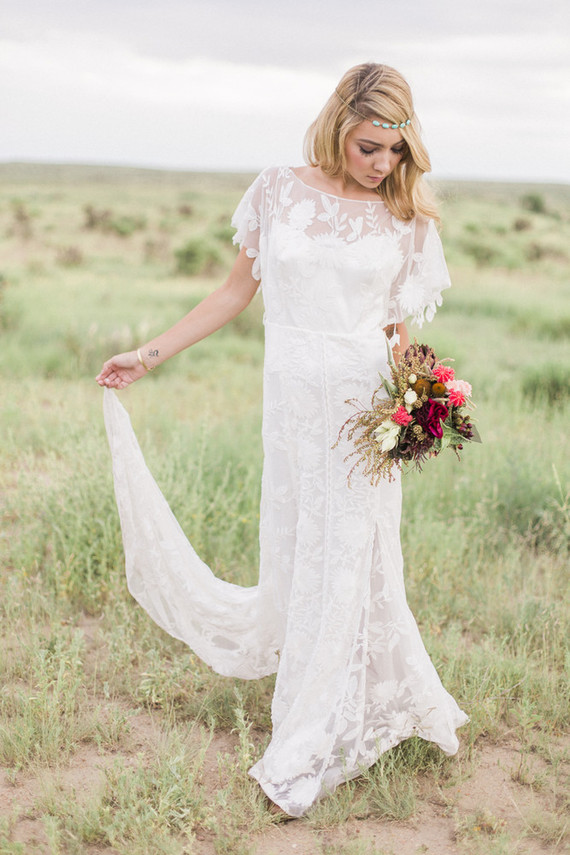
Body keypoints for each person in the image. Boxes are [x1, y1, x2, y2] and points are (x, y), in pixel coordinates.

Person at [96, 62, 468, 818]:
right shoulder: (276, 191)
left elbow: (396, 331)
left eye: (395, 151)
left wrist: (422, 403)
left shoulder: (404, 217)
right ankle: (350, 690)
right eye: (368, 147)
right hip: (293, 411)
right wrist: (149, 354)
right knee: (300, 547)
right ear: (338, 127)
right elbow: (235, 292)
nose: (382, 164)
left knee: (350, 554)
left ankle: (310, 734)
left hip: (362, 415)